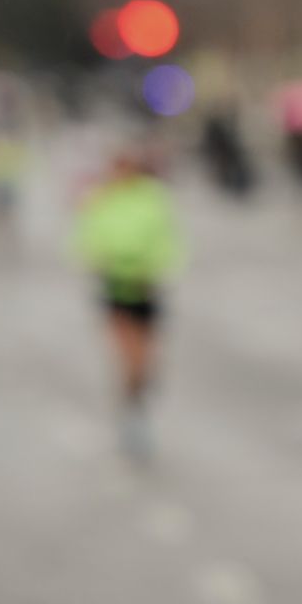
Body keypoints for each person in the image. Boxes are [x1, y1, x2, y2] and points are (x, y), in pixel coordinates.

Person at [72, 146, 184, 461]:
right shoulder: (101, 199)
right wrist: (99, 262)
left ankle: (136, 398)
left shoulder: (154, 198)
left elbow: (169, 239)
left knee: (147, 361)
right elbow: (86, 238)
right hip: (115, 287)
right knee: (128, 355)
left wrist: (157, 268)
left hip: (146, 288)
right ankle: (132, 411)